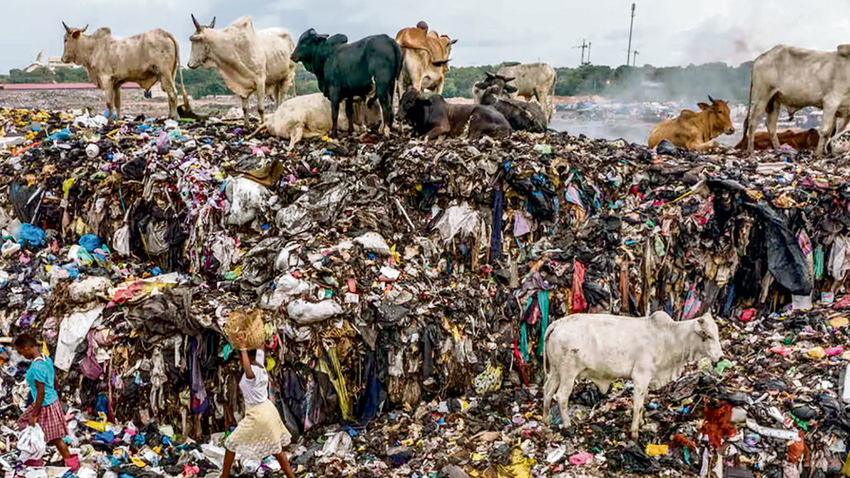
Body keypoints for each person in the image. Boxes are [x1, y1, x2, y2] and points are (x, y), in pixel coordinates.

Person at [222, 334, 296, 478]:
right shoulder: (261, 365)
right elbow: (260, 349)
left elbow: (248, 370)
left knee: (231, 443)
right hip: (268, 410)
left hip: (257, 414)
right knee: (276, 448)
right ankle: (291, 476)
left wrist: (243, 348)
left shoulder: (253, 371)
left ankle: (223, 476)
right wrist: (257, 335)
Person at [13, 334, 79, 470]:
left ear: (26, 348)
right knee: (45, 434)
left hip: (44, 404)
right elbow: (55, 380)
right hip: (51, 401)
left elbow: (41, 392)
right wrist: (54, 394)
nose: (21, 355)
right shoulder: (46, 359)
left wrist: (35, 414)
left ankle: (41, 461)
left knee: (38, 432)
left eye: (21, 352)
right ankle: (68, 463)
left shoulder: (37, 367)